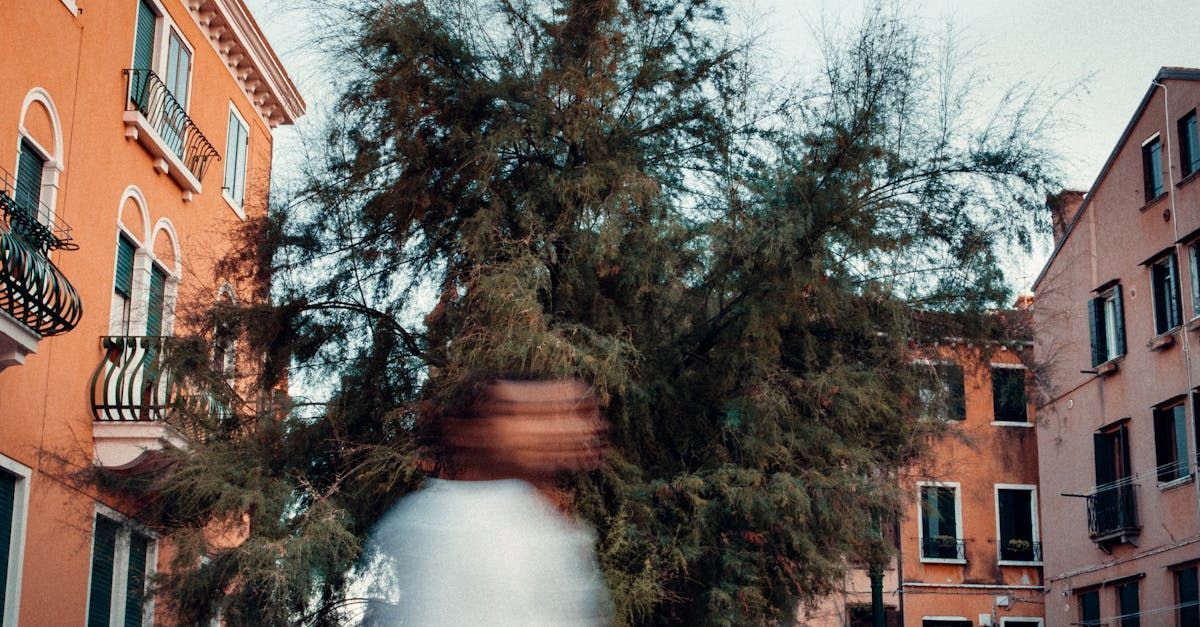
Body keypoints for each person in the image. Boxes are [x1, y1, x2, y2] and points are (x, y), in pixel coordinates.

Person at [361, 377, 611, 626]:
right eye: (517, 414)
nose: (546, 428)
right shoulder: (443, 523)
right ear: (473, 432)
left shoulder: (534, 522)